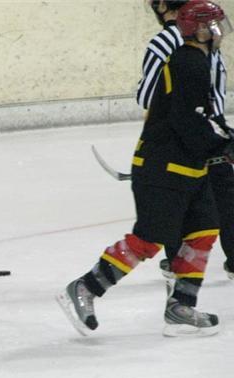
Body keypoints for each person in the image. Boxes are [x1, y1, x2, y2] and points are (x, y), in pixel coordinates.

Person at [57, 0, 234, 337]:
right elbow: (186, 120)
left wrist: (225, 139)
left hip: (189, 168)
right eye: (214, 25)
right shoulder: (188, 63)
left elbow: (204, 116)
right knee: (150, 238)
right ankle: (86, 287)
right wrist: (221, 146)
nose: (219, 32)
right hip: (162, 169)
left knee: (204, 230)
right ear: (199, 29)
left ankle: (181, 306)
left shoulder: (197, 59)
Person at [139, 0, 234, 280]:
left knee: (191, 205)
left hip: (194, 140)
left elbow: (147, 97)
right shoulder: (194, 41)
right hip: (198, 138)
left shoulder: (179, 40)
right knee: (218, 201)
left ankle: (178, 266)